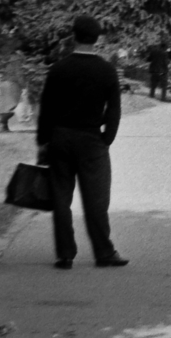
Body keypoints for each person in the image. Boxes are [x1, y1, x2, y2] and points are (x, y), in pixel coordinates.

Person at [36, 15, 128, 269]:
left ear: (73, 35)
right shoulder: (106, 70)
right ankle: (104, 252)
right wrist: (106, 139)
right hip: (91, 139)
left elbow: (46, 108)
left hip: (61, 137)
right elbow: (114, 110)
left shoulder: (59, 68)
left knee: (61, 197)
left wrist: (43, 141)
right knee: (96, 199)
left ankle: (65, 254)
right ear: (97, 38)